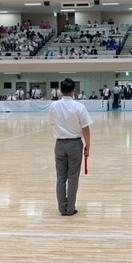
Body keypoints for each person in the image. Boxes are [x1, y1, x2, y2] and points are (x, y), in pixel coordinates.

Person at [48, 78, 92, 216]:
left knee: (61, 177)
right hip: (74, 143)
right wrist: (88, 146)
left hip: (60, 144)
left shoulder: (53, 106)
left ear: (61, 91)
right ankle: (70, 208)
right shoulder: (79, 107)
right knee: (73, 177)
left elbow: (52, 123)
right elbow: (86, 128)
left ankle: (62, 208)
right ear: (74, 91)